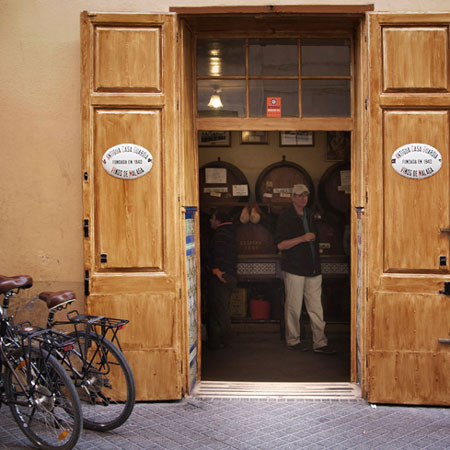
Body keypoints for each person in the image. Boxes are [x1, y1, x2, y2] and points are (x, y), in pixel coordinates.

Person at [275, 184, 336, 354]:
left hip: (313, 268)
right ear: (292, 197)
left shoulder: (310, 214)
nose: (303, 198)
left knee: (316, 307)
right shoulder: (285, 217)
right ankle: (293, 340)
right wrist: (302, 238)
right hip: (294, 268)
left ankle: (320, 342)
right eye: (300, 195)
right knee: (293, 307)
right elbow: (281, 244)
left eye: (306, 195)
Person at [206, 208, 237, 350]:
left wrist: (216, 270)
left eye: (212, 218)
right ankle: (219, 340)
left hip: (221, 276)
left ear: (218, 220)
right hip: (231, 275)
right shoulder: (231, 232)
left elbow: (219, 254)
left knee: (220, 310)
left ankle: (225, 341)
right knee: (221, 309)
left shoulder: (220, 234)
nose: (210, 221)